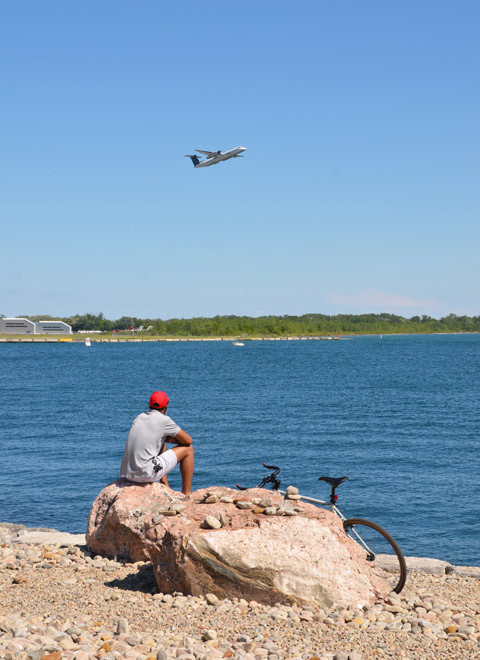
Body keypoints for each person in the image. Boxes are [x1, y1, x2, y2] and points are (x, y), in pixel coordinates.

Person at [120, 390, 194, 495]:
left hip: (128, 474)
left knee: (161, 440)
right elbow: (188, 440)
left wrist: (165, 439)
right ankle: (187, 493)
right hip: (145, 474)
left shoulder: (139, 417)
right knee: (188, 449)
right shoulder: (164, 420)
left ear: (149, 405)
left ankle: (164, 482)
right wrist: (172, 440)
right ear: (166, 406)